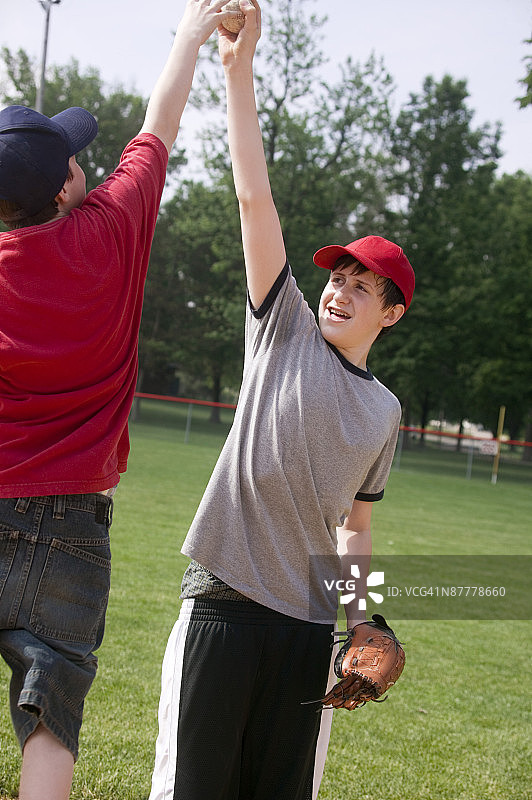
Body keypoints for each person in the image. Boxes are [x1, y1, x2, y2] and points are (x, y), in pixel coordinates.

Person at [149, 2, 415, 799]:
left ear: (391, 313)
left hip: (304, 633)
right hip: (222, 608)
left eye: (362, 287)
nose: (339, 291)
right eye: (337, 276)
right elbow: (253, 199)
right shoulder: (283, 328)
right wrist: (239, 71)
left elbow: (355, 525)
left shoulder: (385, 411)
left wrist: (360, 620)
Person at [0, 3, 238, 799]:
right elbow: (160, 122)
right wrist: (191, 32)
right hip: (67, 521)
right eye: (75, 157)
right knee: (51, 707)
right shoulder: (111, 227)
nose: (86, 163)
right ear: (65, 186)